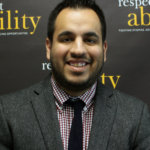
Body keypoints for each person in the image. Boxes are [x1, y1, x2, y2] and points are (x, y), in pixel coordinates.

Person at [0, 0, 150, 149]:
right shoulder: (6, 113)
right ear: (49, 47)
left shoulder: (137, 116)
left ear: (104, 50)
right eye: (67, 39)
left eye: (90, 40)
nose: (78, 50)